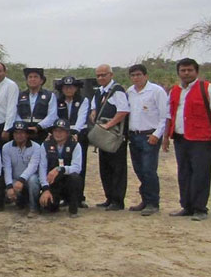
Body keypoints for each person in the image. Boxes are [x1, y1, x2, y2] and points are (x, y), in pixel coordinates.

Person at [163, 58, 211, 221]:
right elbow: (169, 114)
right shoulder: (174, 91)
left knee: (200, 173)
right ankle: (187, 206)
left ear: (196, 71)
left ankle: (200, 208)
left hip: (202, 139)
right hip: (180, 138)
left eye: (189, 70)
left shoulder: (207, 88)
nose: (186, 73)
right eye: (183, 70)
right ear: (178, 72)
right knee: (183, 173)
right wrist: (165, 137)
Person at [126, 64, 167, 216]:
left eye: (138, 75)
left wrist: (157, 134)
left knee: (149, 170)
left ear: (146, 75)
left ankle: (153, 203)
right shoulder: (130, 92)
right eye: (133, 75)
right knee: (139, 170)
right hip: (134, 136)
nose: (136, 78)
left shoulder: (156, 91)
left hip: (149, 135)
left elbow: (164, 116)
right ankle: (145, 199)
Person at [90, 64, 130, 211]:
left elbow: (123, 110)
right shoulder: (99, 92)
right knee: (105, 168)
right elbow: (94, 107)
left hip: (114, 135)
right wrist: (93, 112)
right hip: (103, 135)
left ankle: (118, 201)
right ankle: (109, 197)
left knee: (117, 168)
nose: (101, 78)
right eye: (98, 75)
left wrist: (109, 125)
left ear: (111, 75)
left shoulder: (117, 91)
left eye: (104, 75)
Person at [31, 118, 84, 218]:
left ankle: (73, 208)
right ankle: (54, 202)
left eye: (61, 131)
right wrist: (45, 189)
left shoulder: (75, 145)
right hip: (53, 182)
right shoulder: (45, 145)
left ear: (67, 133)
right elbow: (42, 168)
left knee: (75, 178)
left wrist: (60, 169)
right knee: (48, 206)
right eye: (55, 131)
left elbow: (77, 168)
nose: (58, 134)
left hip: (68, 181)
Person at [55, 76, 90, 208]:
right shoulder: (58, 101)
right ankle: (65, 197)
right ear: (61, 89)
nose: (68, 89)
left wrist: (73, 132)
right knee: (62, 164)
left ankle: (79, 197)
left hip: (78, 135)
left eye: (71, 87)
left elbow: (82, 118)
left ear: (76, 88)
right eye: (65, 87)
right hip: (60, 135)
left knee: (79, 167)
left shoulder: (83, 100)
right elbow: (56, 117)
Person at [2, 121, 42, 215]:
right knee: (7, 187)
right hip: (15, 179)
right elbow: (7, 168)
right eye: (16, 133)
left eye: (22, 132)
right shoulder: (6, 147)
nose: (19, 135)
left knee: (33, 180)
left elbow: (33, 166)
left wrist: (22, 179)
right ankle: (20, 202)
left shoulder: (36, 147)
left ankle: (34, 207)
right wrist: (9, 186)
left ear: (27, 134)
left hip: (29, 179)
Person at [16, 68, 58, 143]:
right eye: (30, 77)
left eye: (35, 77)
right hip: (23, 133)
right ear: (26, 80)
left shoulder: (49, 95)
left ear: (41, 80)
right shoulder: (19, 96)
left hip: (43, 132)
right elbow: (16, 113)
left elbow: (52, 115)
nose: (33, 79)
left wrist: (38, 127)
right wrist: (22, 126)